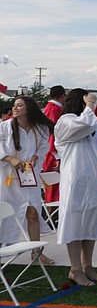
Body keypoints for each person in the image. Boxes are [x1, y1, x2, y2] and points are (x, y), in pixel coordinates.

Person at [54, 90, 97, 287]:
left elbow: (94, 139)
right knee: (75, 222)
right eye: (87, 100)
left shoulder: (89, 121)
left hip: (93, 178)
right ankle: (75, 269)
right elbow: (85, 125)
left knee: (90, 221)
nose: (92, 104)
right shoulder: (65, 121)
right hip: (76, 180)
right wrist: (89, 106)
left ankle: (88, 265)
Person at [0, 97, 54, 264]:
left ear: (29, 108)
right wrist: (10, 158)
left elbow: (44, 147)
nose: (15, 108)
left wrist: (36, 157)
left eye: (19, 105)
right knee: (5, 214)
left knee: (33, 212)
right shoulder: (5, 127)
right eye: (14, 105)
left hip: (29, 176)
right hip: (9, 178)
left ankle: (36, 252)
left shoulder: (41, 128)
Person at [41, 85, 66, 204]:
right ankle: (52, 209)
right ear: (62, 96)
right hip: (53, 152)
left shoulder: (50, 108)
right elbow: (54, 134)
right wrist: (57, 155)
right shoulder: (54, 109)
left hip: (52, 151)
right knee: (53, 182)